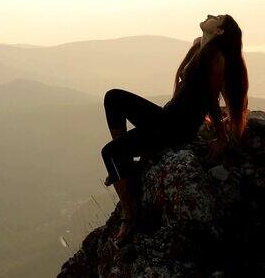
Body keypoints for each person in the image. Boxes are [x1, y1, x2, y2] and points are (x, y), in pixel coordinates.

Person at [101, 14, 249, 244]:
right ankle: (127, 166)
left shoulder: (216, 57)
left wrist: (221, 133)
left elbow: (211, 98)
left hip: (174, 128)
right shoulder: (200, 46)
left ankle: (129, 216)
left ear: (219, 31)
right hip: (166, 117)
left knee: (109, 152)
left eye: (217, 18)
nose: (210, 16)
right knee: (113, 98)